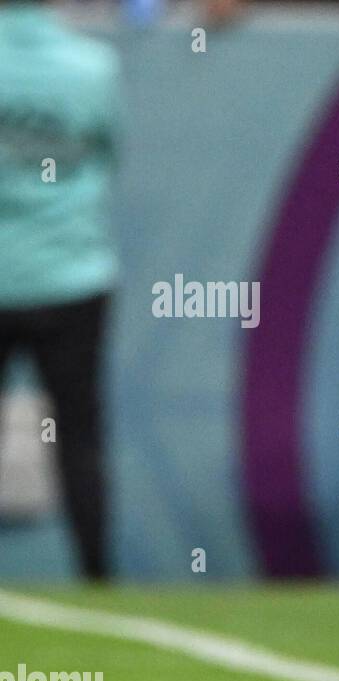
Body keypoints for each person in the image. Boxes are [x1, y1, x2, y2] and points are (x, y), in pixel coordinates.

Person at [0, 0, 122, 580]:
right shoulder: (91, 65)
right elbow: (106, 154)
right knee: (80, 437)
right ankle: (97, 575)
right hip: (73, 276)